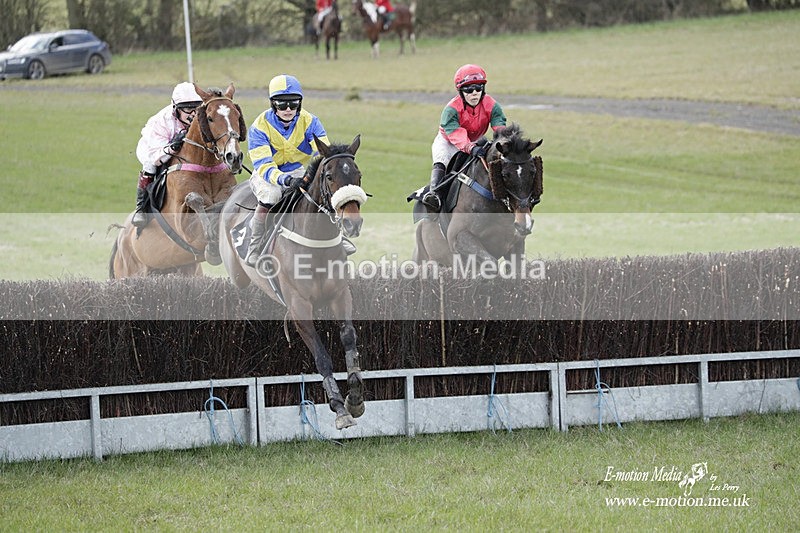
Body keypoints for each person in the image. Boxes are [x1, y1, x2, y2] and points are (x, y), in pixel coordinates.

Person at [246, 74, 354, 267]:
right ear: (273, 104)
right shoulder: (259, 127)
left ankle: (339, 236)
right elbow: (264, 166)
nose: (288, 109)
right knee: (272, 195)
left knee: (324, 189)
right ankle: (255, 246)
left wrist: (310, 175)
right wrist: (286, 181)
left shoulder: (311, 121)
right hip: (268, 175)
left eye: (293, 104)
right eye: (281, 104)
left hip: (297, 170)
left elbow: (322, 153)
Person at [421, 64, 507, 212]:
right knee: (441, 160)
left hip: (476, 140)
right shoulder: (451, 109)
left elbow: (499, 124)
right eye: (468, 89)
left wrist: (504, 142)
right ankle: (434, 195)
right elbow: (456, 134)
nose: (474, 93)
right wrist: (470, 148)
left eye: (478, 88)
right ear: (461, 91)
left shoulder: (492, 105)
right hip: (449, 142)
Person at [133, 82, 202, 227]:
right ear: (176, 109)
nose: (194, 114)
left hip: (178, 148)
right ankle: (142, 208)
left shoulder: (200, 116)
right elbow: (157, 158)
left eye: (197, 108)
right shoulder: (161, 122)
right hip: (153, 149)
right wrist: (172, 147)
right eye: (189, 109)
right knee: (150, 165)